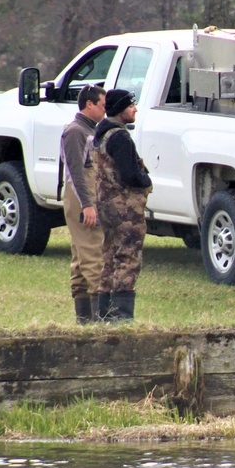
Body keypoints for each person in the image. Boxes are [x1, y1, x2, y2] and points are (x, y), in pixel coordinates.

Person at [92, 89, 152, 322]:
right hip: (125, 207)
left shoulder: (101, 134)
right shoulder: (120, 137)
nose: (135, 109)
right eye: (130, 105)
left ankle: (104, 314)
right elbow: (130, 174)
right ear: (119, 109)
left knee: (109, 256)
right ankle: (122, 317)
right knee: (128, 257)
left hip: (106, 206)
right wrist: (145, 179)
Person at [60, 85, 106, 323]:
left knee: (80, 259)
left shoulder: (88, 131)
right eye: (102, 105)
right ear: (89, 105)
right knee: (93, 253)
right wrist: (87, 204)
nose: (104, 110)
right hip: (80, 198)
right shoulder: (76, 132)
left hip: (84, 197)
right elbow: (76, 171)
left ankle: (84, 321)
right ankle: (101, 320)